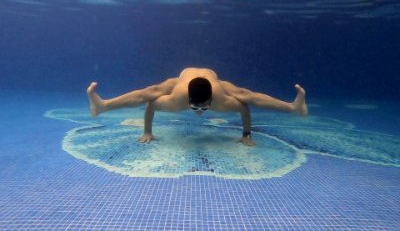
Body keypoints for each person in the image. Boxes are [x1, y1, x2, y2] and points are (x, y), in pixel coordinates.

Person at [87, 68, 308, 146]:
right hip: (184, 79)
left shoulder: (220, 98)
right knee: (152, 90)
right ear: (187, 102)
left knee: (245, 95)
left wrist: (247, 134)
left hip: (212, 80)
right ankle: (103, 105)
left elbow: (244, 108)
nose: (200, 112)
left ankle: (293, 107)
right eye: (195, 108)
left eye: (204, 108)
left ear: (212, 102)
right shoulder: (177, 98)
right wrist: (147, 131)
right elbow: (151, 103)